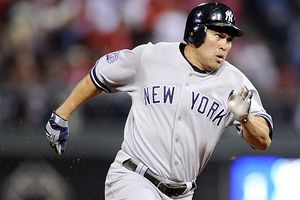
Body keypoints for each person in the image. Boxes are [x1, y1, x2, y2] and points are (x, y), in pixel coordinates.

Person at [45, 2, 273, 200]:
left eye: (229, 39)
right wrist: (61, 115)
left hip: (183, 193)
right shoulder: (151, 57)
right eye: (218, 35)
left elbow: (263, 140)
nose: (225, 45)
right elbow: (100, 75)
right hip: (133, 178)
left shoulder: (235, 82)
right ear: (196, 33)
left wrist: (245, 118)